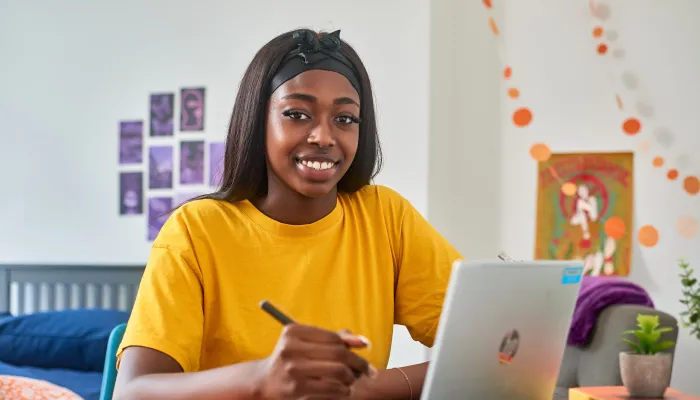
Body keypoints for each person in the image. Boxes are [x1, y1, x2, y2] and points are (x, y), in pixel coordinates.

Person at [114, 28, 462, 400]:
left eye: (345, 119)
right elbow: (133, 392)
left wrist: (363, 389)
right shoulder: (195, 231)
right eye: (297, 114)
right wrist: (261, 380)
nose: (324, 137)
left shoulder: (385, 217)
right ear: (257, 121)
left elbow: (495, 347)